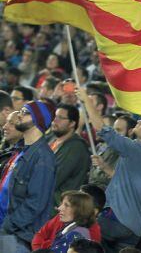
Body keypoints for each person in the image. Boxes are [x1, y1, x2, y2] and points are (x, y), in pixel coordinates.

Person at [83, 90, 141, 252]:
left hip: (115, 220)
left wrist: (86, 100)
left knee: (80, 240)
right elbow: (129, 183)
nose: (140, 121)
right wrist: (104, 166)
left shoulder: (138, 149)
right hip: (133, 227)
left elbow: (102, 129)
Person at [0, 100, 57, 253]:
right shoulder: (20, 150)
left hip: (16, 236)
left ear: (37, 120)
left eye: (24, 113)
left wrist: (6, 225)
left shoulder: (43, 158)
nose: (19, 115)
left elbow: (35, 204)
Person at [32, 185, 103, 249]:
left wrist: (45, 245)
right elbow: (40, 235)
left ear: (94, 211)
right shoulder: (64, 215)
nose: (59, 208)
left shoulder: (86, 235)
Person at [48, 104, 90, 205]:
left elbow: (53, 178)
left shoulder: (76, 147)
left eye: (61, 118)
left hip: (58, 205)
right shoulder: (52, 140)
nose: (55, 120)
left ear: (72, 123)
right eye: (55, 116)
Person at [0, 110, 23, 226]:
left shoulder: (27, 156)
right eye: (6, 122)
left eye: (11, 123)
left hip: (8, 225)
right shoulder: (10, 152)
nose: (5, 126)